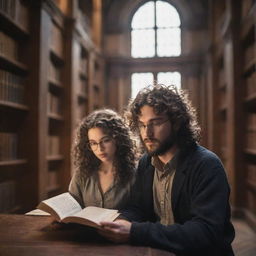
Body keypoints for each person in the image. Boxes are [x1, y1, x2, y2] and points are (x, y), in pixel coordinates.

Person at [99, 84, 235, 256]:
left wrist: (135, 231)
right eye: (141, 125)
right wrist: (119, 220)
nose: (147, 133)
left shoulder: (207, 165)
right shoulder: (146, 163)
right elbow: (139, 208)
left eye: (155, 123)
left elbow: (204, 232)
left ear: (177, 123)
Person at [69, 108, 136, 210]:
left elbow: (140, 211)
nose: (100, 149)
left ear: (118, 139)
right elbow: (72, 206)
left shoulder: (134, 173)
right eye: (93, 143)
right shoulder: (82, 172)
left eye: (105, 140)